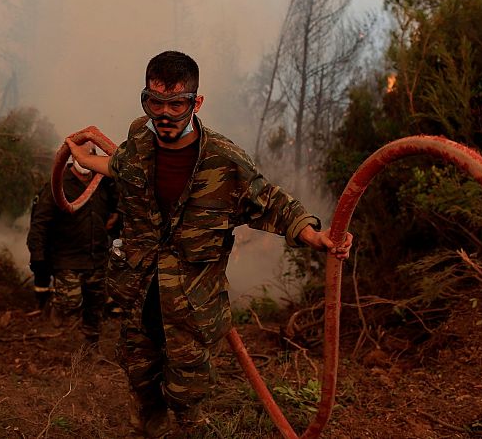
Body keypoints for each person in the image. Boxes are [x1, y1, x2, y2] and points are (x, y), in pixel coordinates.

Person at [66, 50, 353, 438]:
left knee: (187, 394)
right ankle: (145, 428)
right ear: (145, 99)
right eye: (155, 101)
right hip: (139, 298)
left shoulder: (224, 160)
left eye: (177, 103)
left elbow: (273, 203)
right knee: (140, 378)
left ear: (196, 102)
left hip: (191, 308)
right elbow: (121, 166)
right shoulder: (138, 139)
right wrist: (87, 160)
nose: (164, 114)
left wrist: (315, 235)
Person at [26, 144, 119, 344]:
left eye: (90, 154)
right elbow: (39, 224)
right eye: (81, 154)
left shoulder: (105, 183)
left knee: (96, 305)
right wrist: (38, 257)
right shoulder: (57, 184)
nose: (85, 159)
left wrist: (117, 218)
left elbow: (120, 209)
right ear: (72, 157)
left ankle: (90, 347)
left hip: (97, 257)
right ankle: (57, 307)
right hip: (67, 257)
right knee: (70, 300)